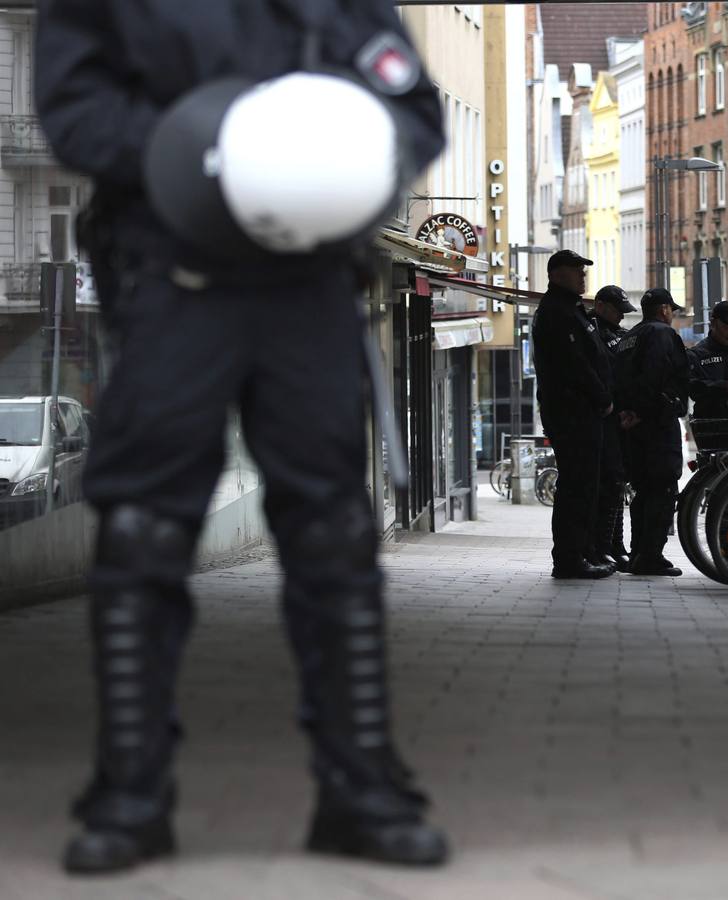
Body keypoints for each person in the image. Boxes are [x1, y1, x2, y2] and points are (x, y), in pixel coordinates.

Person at [33, 0, 451, 873]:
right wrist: (213, 146)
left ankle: (361, 791)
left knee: (335, 534)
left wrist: (340, 160)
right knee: (143, 532)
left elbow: (412, 111)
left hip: (307, 287)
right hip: (173, 276)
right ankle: (130, 795)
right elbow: (74, 110)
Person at [532, 251, 618, 580]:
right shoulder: (557, 312)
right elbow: (574, 365)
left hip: (581, 411)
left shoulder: (571, 310)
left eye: (584, 270)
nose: (583, 276)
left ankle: (582, 552)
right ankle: (570, 558)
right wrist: (602, 398)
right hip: (573, 411)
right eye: (576, 271)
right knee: (576, 486)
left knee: (585, 485)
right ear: (556, 274)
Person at [614, 288, 690, 577]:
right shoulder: (661, 334)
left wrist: (629, 412)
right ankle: (650, 555)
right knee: (662, 488)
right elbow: (656, 374)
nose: (672, 315)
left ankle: (638, 552)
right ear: (664, 309)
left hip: (632, 426)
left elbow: (619, 378)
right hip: (656, 424)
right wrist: (646, 411)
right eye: (672, 309)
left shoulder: (628, 337)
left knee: (643, 491)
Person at [590, 285, 636, 571]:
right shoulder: (592, 333)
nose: (621, 316)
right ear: (601, 306)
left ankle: (615, 546)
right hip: (601, 418)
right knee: (606, 486)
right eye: (617, 310)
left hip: (619, 419)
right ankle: (602, 547)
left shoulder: (620, 335)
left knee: (617, 485)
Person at [687, 300, 728, 420]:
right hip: (711, 424)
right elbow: (692, 387)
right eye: (727, 327)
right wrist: (724, 387)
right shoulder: (697, 354)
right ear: (713, 323)